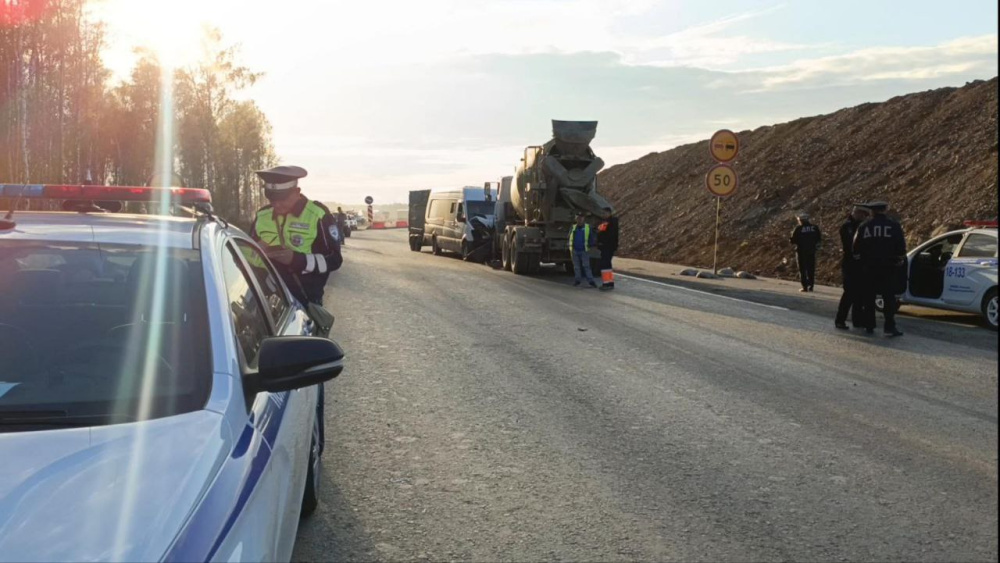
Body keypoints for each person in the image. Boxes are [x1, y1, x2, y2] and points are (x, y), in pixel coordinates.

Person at [250, 165, 343, 305]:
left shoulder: (317, 214)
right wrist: (257, 250)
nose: (277, 205)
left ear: (297, 192)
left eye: (282, 200)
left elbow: (334, 260)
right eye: (272, 200)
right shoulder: (263, 215)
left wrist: (296, 259)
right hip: (268, 299)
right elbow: (244, 256)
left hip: (305, 299)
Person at [853, 201, 906, 337]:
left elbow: (856, 247)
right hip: (888, 267)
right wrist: (898, 259)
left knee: (869, 297)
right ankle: (889, 325)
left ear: (872, 211)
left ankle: (869, 324)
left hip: (869, 267)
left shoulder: (864, 226)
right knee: (888, 298)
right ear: (885, 210)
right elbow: (900, 246)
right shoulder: (894, 226)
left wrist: (861, 260)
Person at [835, 204, 870, 329]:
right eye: (857, 213)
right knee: (849, 293)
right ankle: (840, 320)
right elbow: (849, 245)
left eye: (861, 214)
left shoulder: (865, 227)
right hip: (850, 263)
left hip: (862, 265)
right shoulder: (847, 227)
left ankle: (858, 320)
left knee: (860, 295)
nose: (858, 215)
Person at [790, 212, 822, 292]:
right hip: (811, 251)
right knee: (811, 269)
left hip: (801, 251)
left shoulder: (799, 228)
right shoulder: (815, 228)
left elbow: (793, 240)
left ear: (800, 220)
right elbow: (819, 238)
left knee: (802, 269)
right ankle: (811, 286)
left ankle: (804, 287)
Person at [569, 212, 597, 288]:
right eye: (578, 218)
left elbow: (592, 238)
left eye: (581, 218)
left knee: (586, 266)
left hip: (584, 250)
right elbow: (570, 237)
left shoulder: (588, 227)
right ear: (576, 219)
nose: (579, 220)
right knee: (576, 267)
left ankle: (591, 281)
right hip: (574, 250)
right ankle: (577, 280)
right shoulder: (573, 227)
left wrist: (590, 245)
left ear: (584, 219)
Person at [596, 207, 619, 291]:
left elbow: (603, 233)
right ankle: (609, 282)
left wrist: (602, 243)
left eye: (604, 213)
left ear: (609, 213)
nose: (603, 215)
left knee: (605, 266)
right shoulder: (608, 222)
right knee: (607, 266)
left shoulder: (610, 222)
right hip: (607, 247)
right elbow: (599, 231)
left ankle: (606, 283)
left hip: (607, 247)